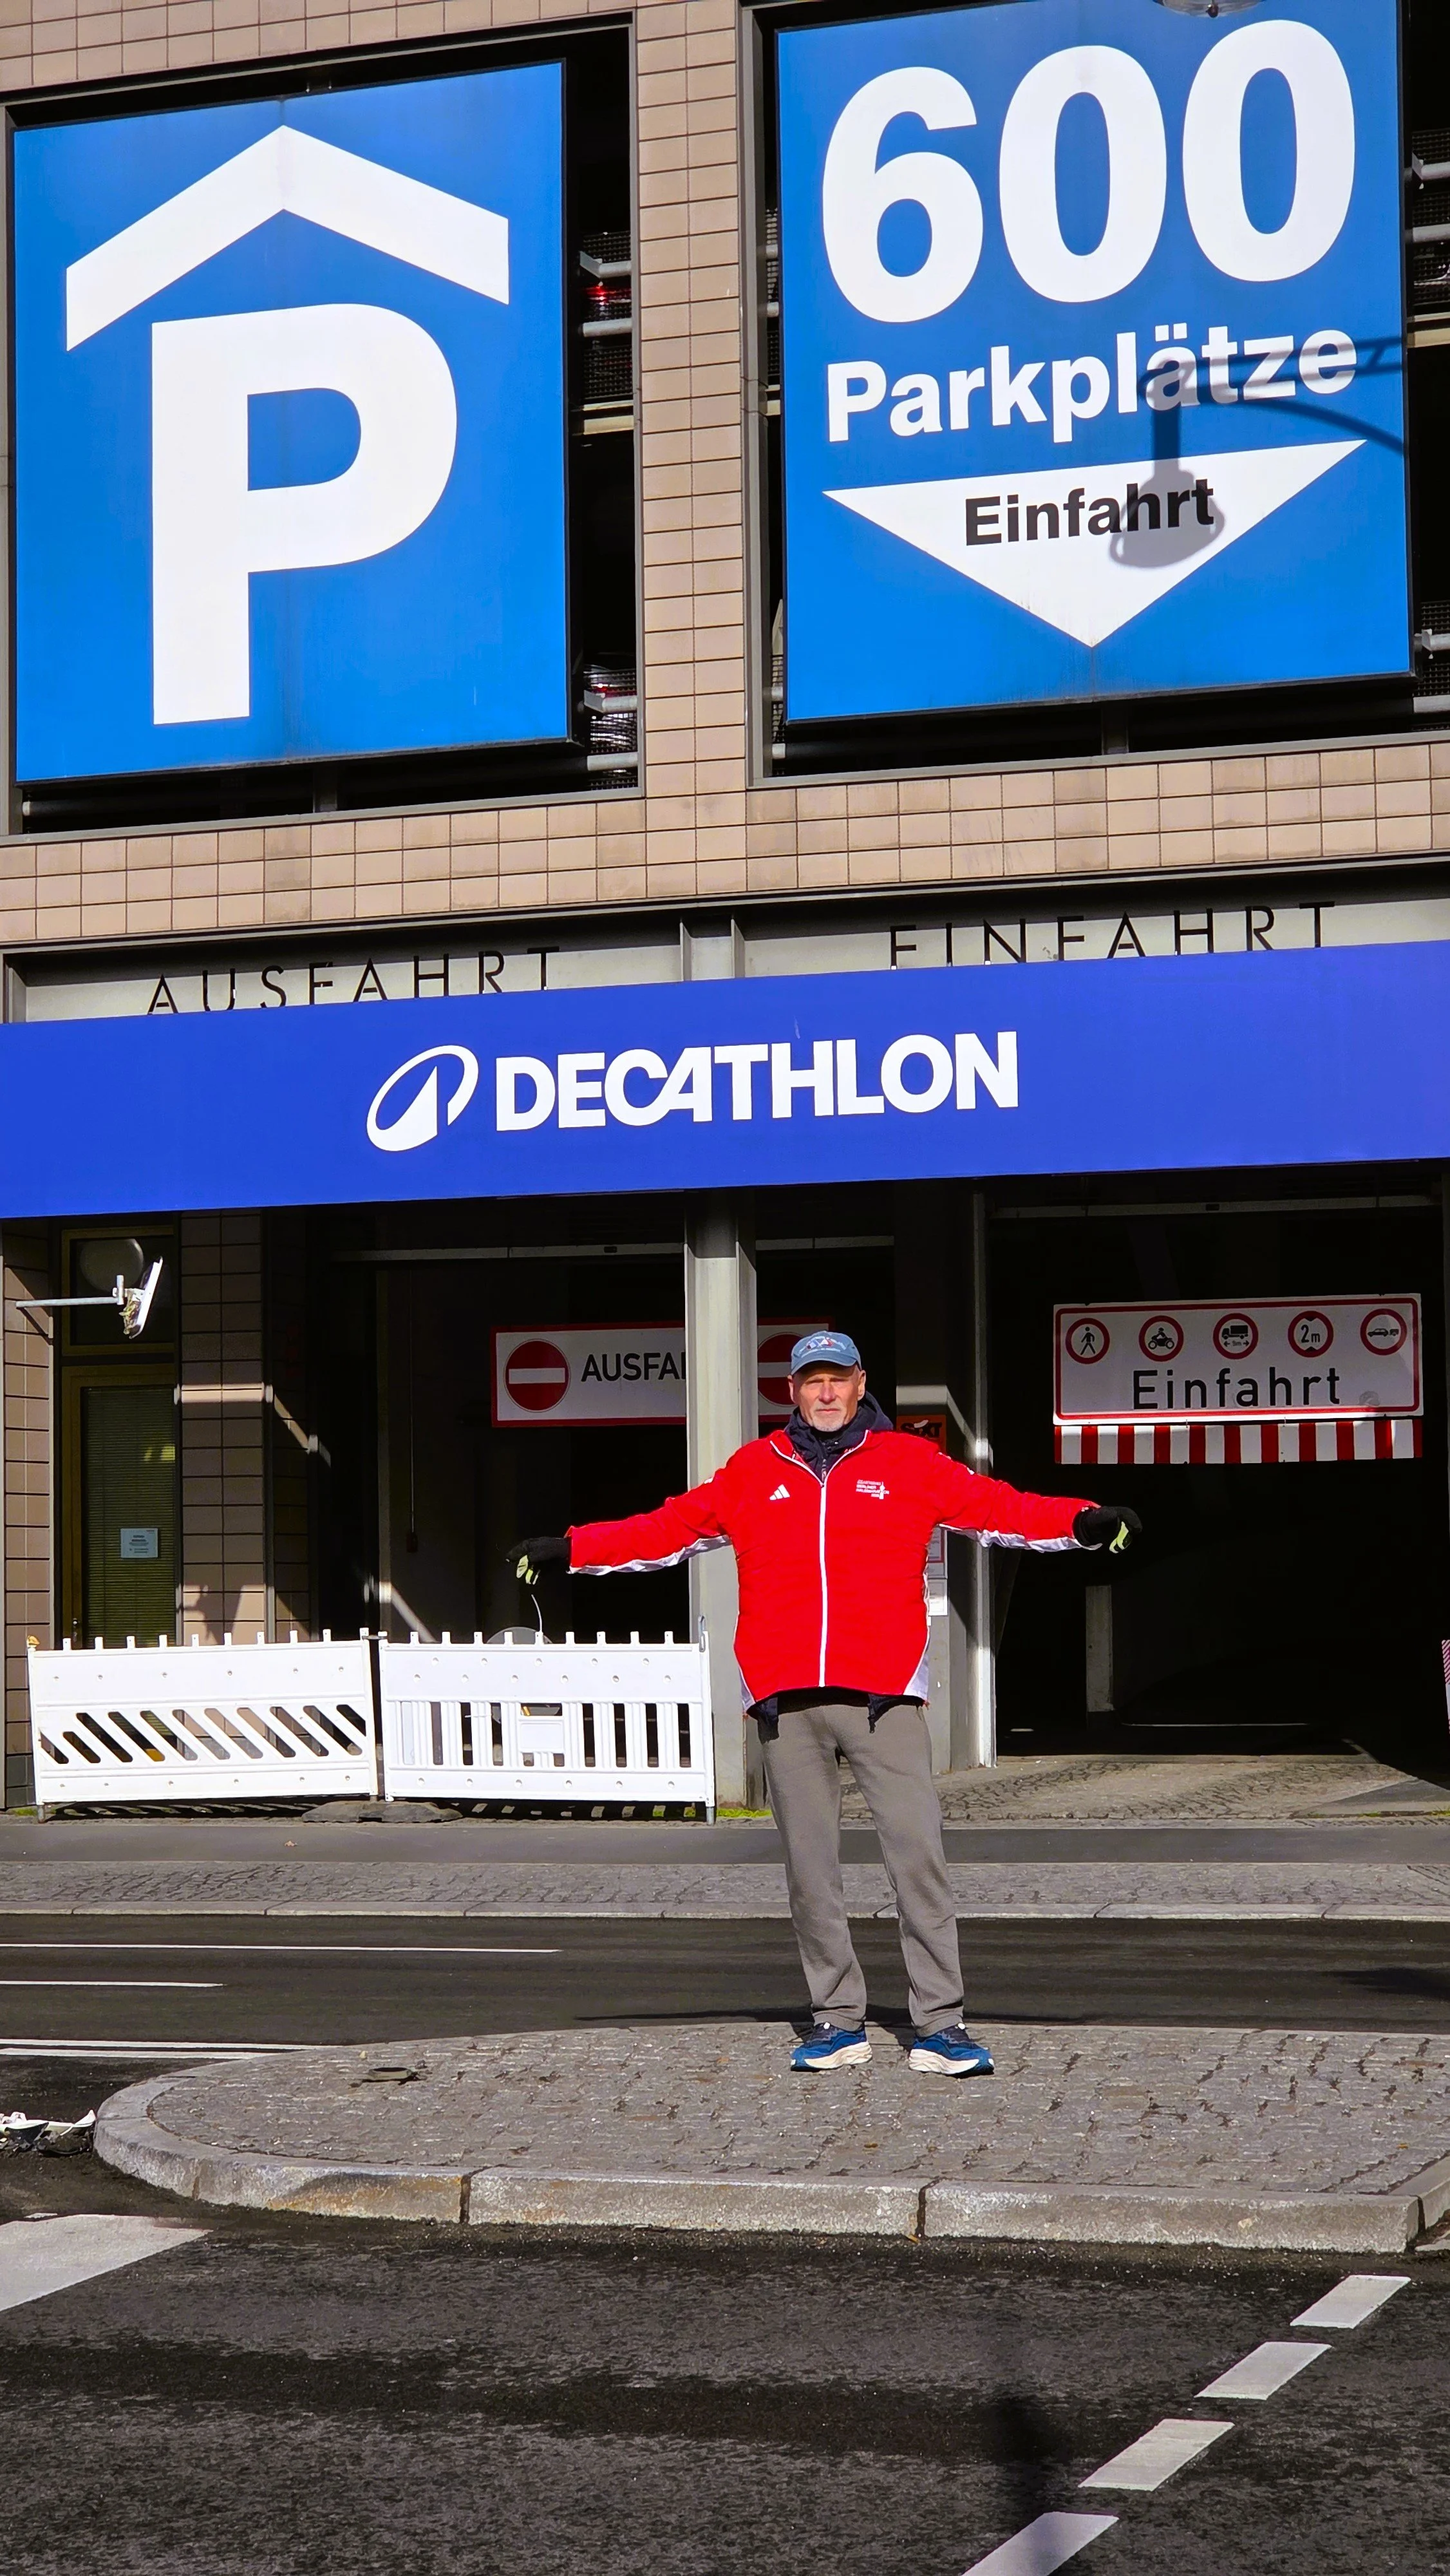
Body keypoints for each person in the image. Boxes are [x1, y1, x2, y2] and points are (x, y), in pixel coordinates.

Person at [507, 1329, 1139, 2078]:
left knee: (917, 1860)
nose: (826, 1391)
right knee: (810, 1873)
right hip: (786, 1702)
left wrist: (1081, 1521)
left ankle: (940, 2024)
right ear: (793, 1390)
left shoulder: (908, 1462)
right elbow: (666, 1528)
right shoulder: (752, 1470)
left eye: (837, 1377)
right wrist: (572, 1548)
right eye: (812, 1380)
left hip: (883, 1698)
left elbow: (999, 1510)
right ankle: (836, 2021)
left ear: (860, 1382)